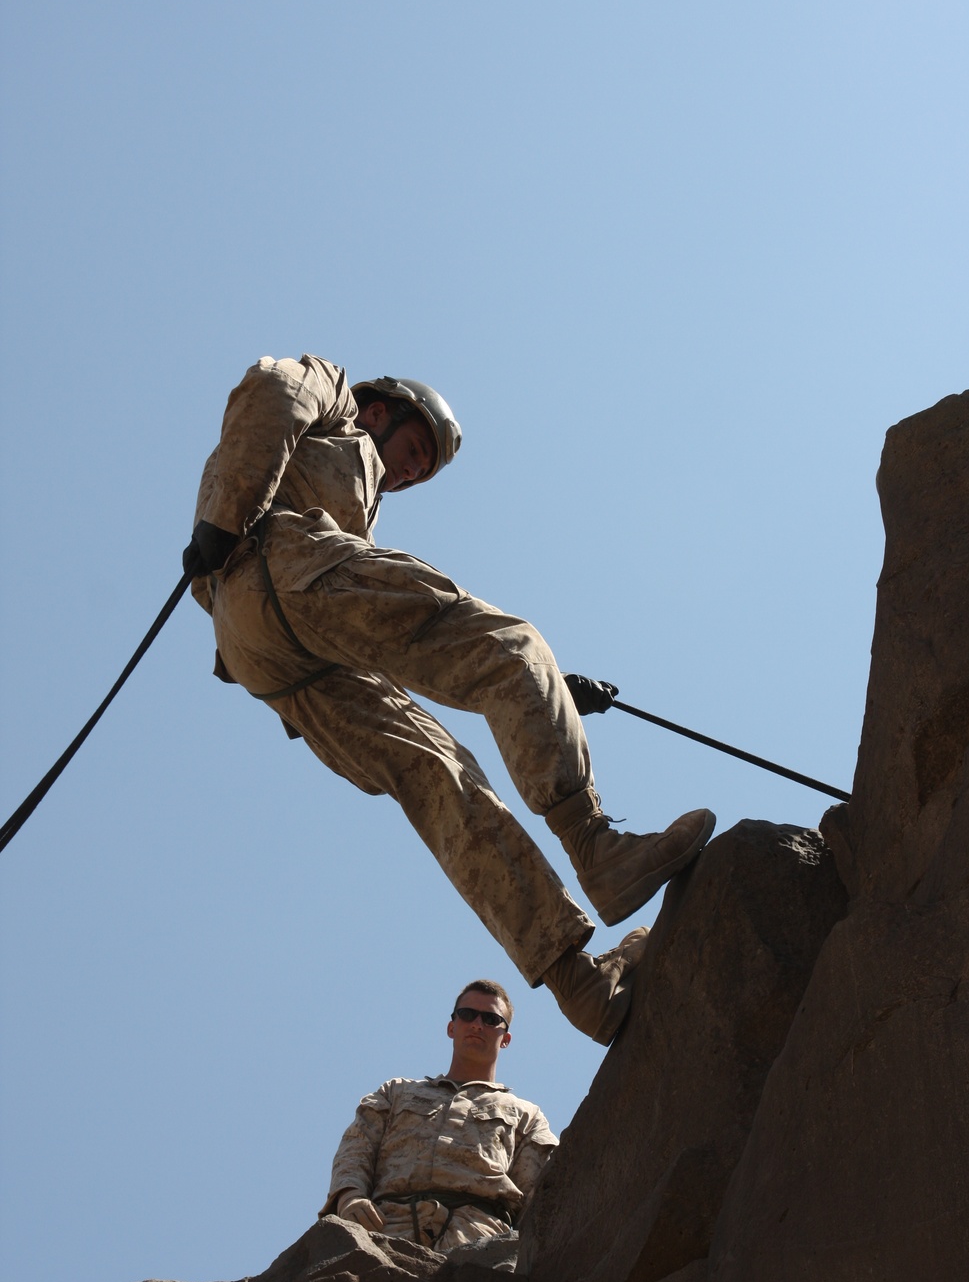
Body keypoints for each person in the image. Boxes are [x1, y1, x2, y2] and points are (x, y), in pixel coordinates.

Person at [184, 356, 715, 1044]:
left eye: (418, 473)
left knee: (442, 783)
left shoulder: (350, 502)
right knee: (510, 647)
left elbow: (398, 650)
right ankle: (597, 849)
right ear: (381, 410)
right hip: (278, 561)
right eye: (411, 453)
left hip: (270, 653)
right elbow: (272, 388)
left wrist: (550, 690)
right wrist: (227, 518)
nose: (406, 474)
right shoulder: (336, 395)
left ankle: (579, 983)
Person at [318, 978, 567, 1252]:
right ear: (452, 1027)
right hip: (383, 1230)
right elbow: (357, 1146)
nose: (477, 1024)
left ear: (505, 1038)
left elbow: (540, 1198)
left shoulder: (526, 1116)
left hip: (477, 1243)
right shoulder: (397, 1092)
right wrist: (349, 1197)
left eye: (491, 1019)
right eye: (467, 1015)